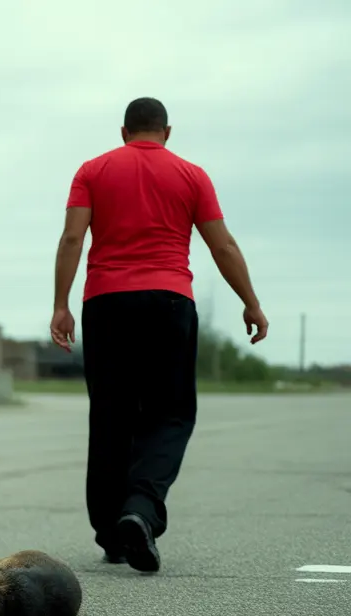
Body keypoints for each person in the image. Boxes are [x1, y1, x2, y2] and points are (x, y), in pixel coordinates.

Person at [49, 97, 268, 573]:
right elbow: (222, 244)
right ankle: (140, 511)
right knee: (170, 414)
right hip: (169, 303)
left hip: (106, 304)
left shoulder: (92, 170)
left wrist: (61, 305)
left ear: (124, 131)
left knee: (111, 416)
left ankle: (112, 532)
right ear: (166, 131)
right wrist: (250, 302)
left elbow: (72, 238)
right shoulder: (192, 175)